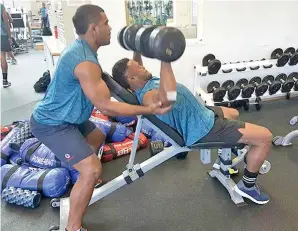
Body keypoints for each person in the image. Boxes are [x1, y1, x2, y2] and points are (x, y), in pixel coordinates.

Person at [29, 5, 170, 231]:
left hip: (71, 117)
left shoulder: (84, 50)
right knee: (93, 169)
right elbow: (107, 107)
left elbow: (132, 75)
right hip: (53, 123)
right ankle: (73, 227)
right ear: (94, 29)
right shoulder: (85, 62)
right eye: (106, 23)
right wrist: (148, 110)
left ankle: (81, 181)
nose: (110, 27)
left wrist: (137, 51)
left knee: (96, 135)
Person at [112, 54, 273, 205]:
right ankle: (248, 186)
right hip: (203, 130)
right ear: (132, 79)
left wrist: (137, 44)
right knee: (265, 137)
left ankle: (224, 161)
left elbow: (137, 64)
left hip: (202, 114)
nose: (142, 66)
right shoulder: (148, 96)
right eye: (138, 67)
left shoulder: (142, 82)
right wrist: (165, 59)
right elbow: (168, 98)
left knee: (234, 113)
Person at [1, 3, 12, 87]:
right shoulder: (1, 7)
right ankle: (5, 81)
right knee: (2, 57)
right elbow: (6, 22)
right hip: (1, 35)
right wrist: (9, 36)